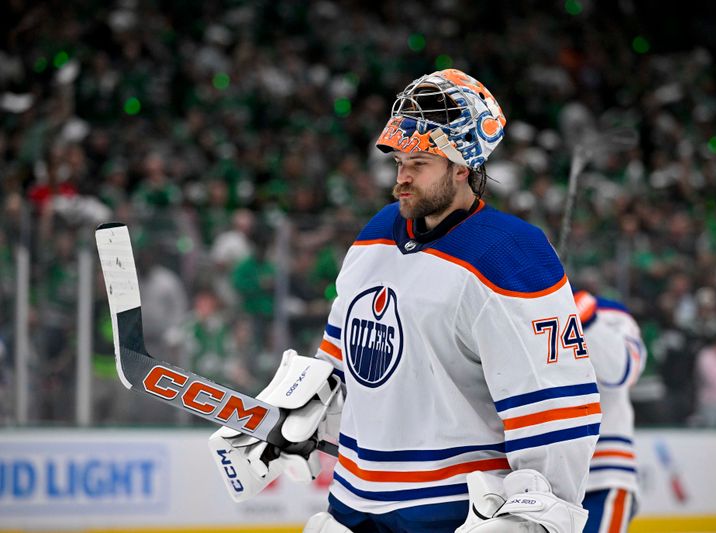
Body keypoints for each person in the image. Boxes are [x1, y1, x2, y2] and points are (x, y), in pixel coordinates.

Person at [208, 69, 600, 533]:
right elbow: (339, 357)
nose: (402, 178)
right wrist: (296, 415)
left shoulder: (510, 254)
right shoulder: (376, 233)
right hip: (353, 502)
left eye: (419, 162)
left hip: (452, 510)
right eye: (398, 162)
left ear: (463, 167)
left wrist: (538, 516)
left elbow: (556, 408)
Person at [573, 290, 647, 533]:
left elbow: (623, 370)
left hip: (602, 476)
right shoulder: (519, 306)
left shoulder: (608, 313)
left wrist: (589, 321)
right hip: (540, 479)